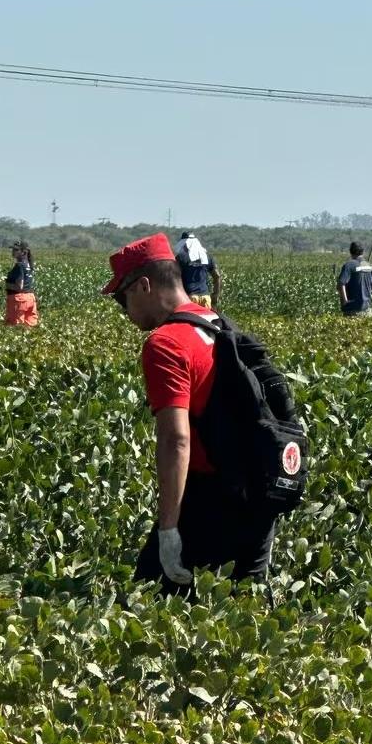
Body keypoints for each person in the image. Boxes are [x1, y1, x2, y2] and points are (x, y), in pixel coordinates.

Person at [103, 234, 279, 595]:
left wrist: (169, 529)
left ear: (144, 286)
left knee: (149, 608)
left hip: (208, 501)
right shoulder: (218, 323)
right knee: (244, 617)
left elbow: (175, 438)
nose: (125, 312)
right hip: (258, 494)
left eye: (123, 299)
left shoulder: (165, 343)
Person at [174, 232, 222, 308]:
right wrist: (215, 295)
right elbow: (217, 276)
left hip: (189, 298)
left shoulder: (181, 257)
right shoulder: (207, 257)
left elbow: (174, 278)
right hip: (205, 298)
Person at [337, 241, 372, 317]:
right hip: (367, 310)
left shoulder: (348, 265)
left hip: (352, 309)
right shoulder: (371, 266)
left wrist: (345, 301)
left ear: (350, 252)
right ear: (363, 252)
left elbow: (341, 284)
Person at [4, 241, 39, 326]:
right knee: (29, 327)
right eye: (13, 249)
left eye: (16, 250)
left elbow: (19, 286)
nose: (13, 252)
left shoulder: (19, 265)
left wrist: (5, 284)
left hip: (19, 299)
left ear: (23, 252)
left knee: (15, 327)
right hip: (30, 298)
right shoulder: (29, 265)